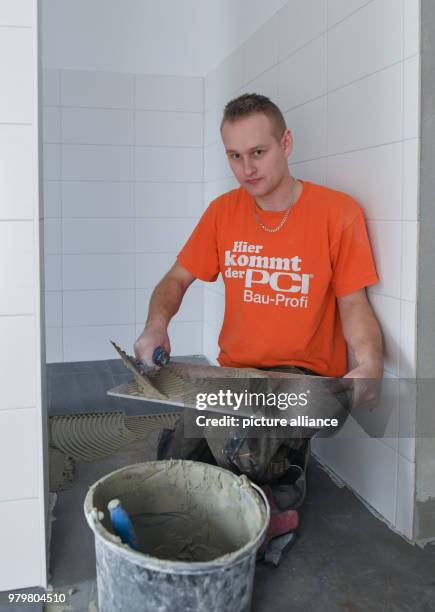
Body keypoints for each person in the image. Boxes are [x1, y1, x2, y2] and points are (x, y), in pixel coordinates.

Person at [134, 93, 383, 508]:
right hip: (235, 377)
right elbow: (175, 280)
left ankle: (284, 485)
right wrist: (156, 323)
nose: (246, 169)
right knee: (174, 465)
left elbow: (354, 303)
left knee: (244, 453)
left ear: (285, 144)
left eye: (257, 152)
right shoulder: (222, 212)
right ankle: (257, 490)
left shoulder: (337, 212)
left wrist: (370, 362)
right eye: (234, 156)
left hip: (303, 379)